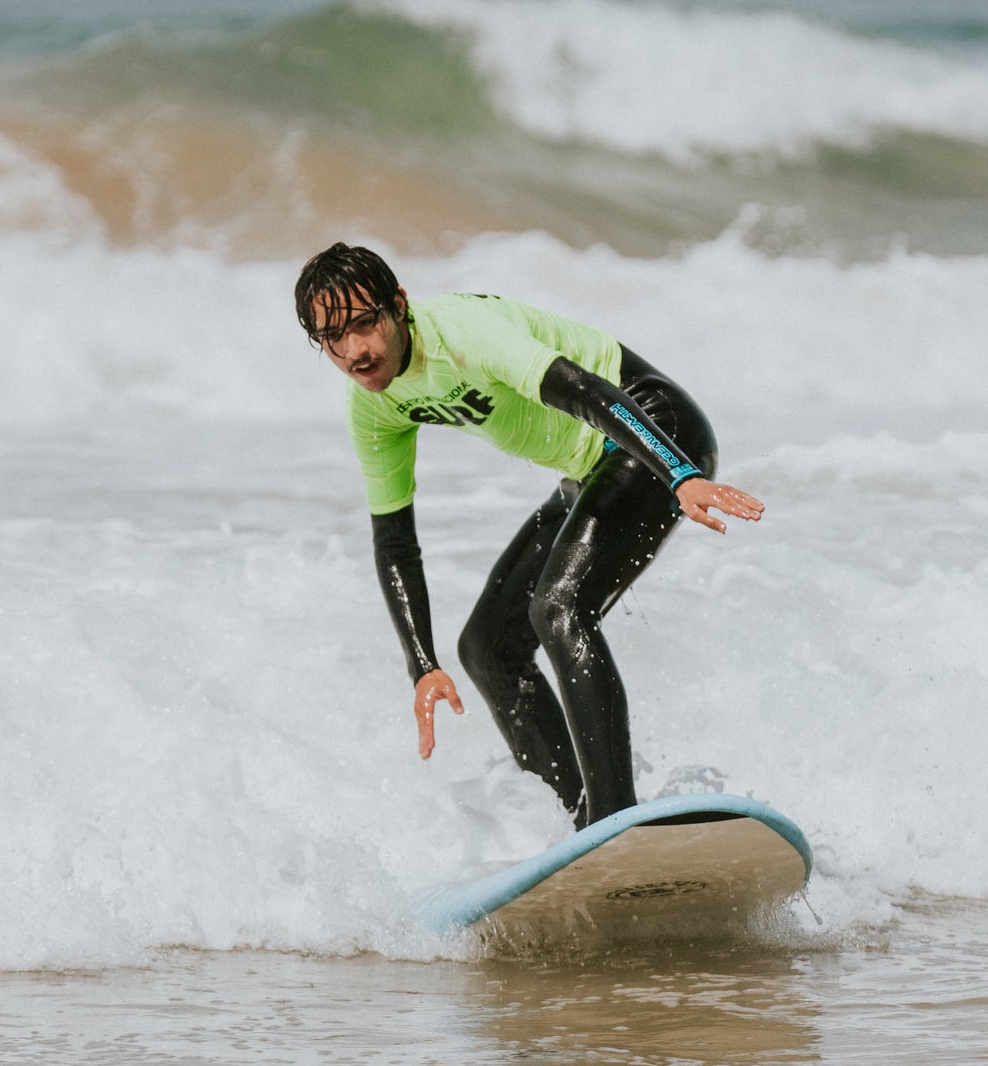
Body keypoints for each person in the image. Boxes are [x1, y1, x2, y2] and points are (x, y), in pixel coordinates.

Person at [294, 242, 764, 827]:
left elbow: (586, 393)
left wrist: (678, 472)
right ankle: (584, 827)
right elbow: (393, 541)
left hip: (652, 430)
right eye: (332, 338)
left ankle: (614, 821)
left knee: (559, 608)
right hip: (590, 468)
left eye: (365, 325)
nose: (354, 353)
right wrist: (422, 664)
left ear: (399, 306)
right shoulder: (373, 407)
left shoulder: (464, 333)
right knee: (487, 650)